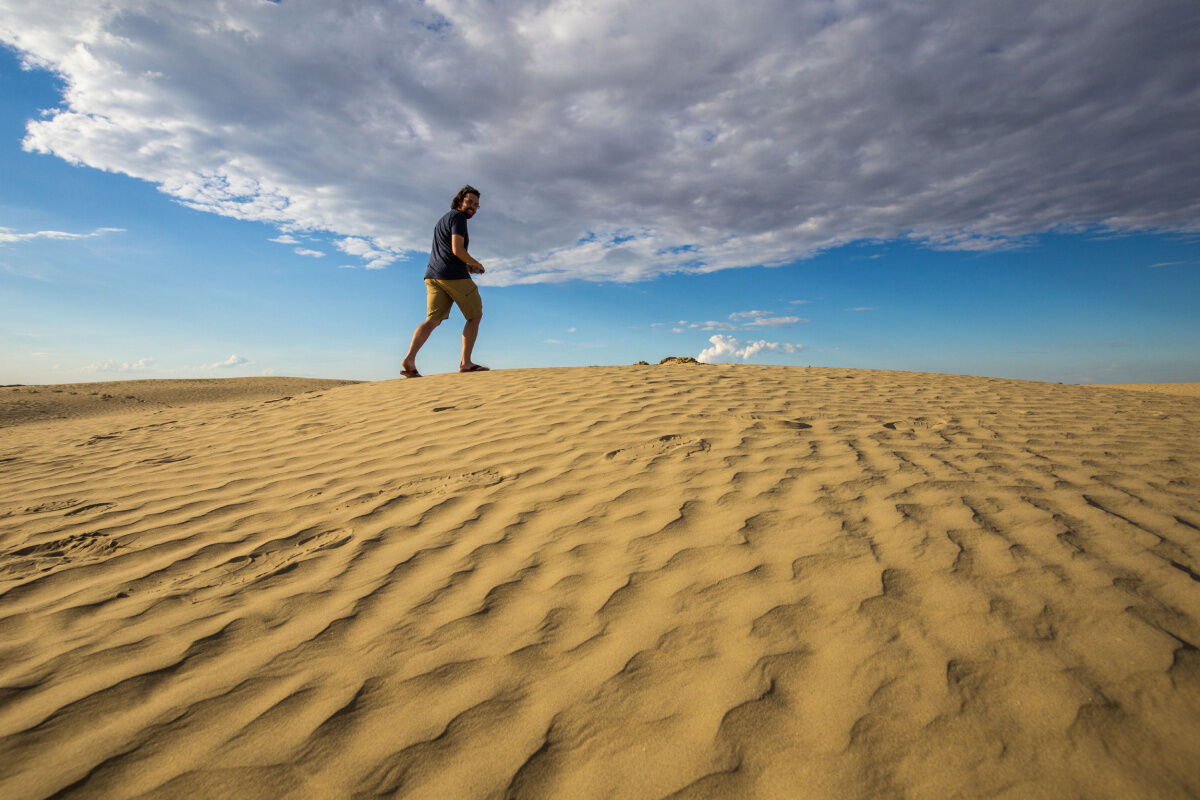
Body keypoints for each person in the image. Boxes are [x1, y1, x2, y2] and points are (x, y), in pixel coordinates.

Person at [401, 185, 489, 377]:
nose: (472, 206)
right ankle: (465, 363)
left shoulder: (442, 220)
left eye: (476, 204)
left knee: (433, 320)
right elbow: (457, 250)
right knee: (475, 316)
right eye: (469, 202)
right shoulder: (458, 217)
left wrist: (467, 266)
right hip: (451, 275)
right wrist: (477, 263)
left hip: (433, 275)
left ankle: (409, 359)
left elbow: (448, 253)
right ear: (460, 201)